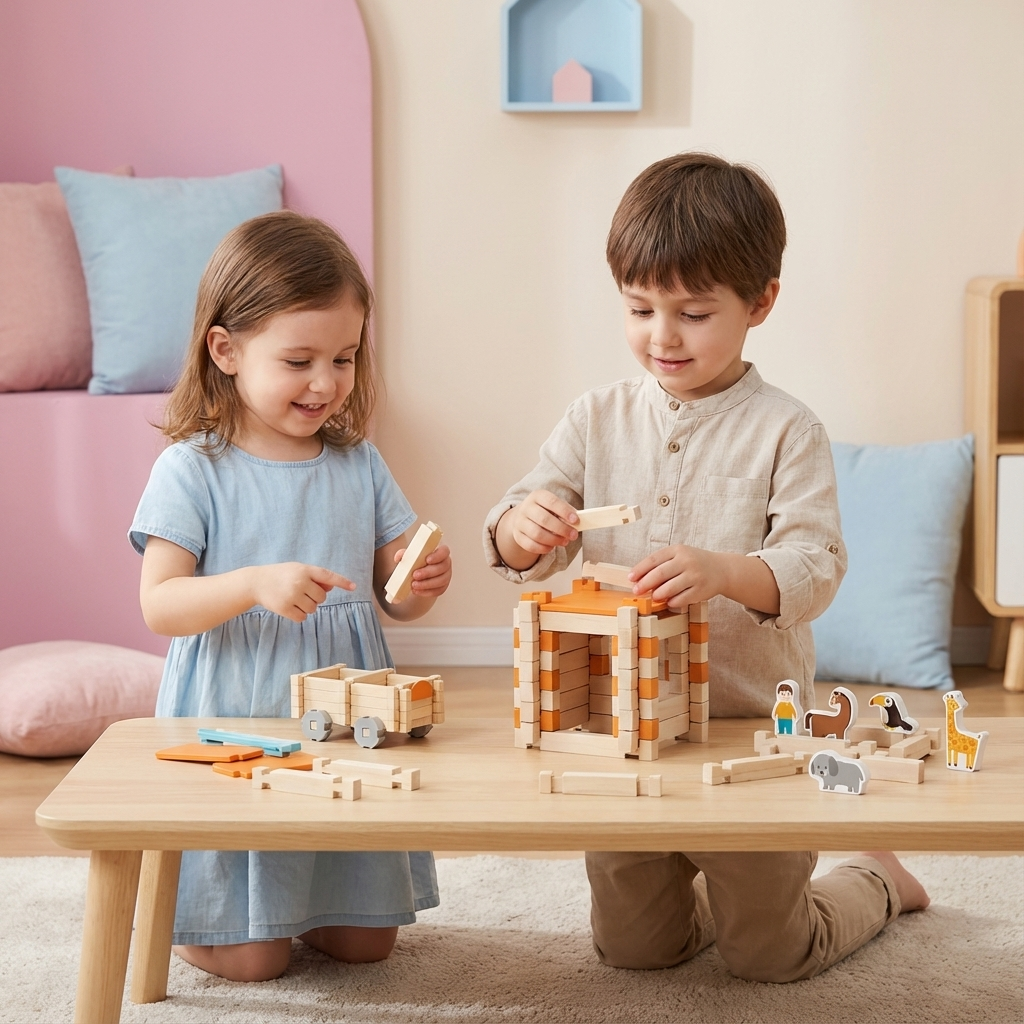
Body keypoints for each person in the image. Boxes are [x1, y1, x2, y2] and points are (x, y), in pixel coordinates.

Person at [482, 153, 928, 981]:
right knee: (633, 951)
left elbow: (816, 565)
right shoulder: (595, 418)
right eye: (640, 307)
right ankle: (704, 899)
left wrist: (724, 572)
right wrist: (522, 527)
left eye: (692, 312)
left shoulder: (788, 430)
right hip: (627, 731)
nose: (662, 335)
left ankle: (876, 876)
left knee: (773, 955)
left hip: (748, 727)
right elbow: (514, 532)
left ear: (760, 302)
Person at [131, 211, 452, 982]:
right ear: (226, 350)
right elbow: (161, 604)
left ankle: (320, 901)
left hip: (342, 709)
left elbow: (394, 593)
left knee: (366, 943)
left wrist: (418, 586)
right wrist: (251, 584)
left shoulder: (358, 462)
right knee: (250, 960)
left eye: (343, 359)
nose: (326, 383)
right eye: (300, 359)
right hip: (237, 704)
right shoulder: (193, 468)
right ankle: (191, 916)